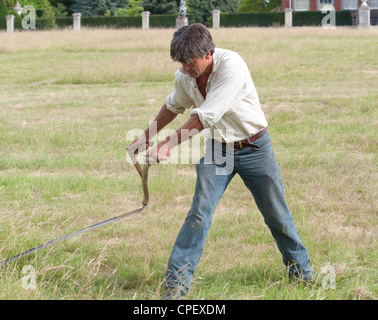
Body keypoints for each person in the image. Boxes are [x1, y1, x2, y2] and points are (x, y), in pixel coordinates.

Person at [126, 23, 312, 300]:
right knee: (199, 213)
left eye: (190, 63)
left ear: (209, 53)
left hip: (254, 147)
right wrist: (147, 136)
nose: (185, 69)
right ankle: (175, 289)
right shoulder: (185, 75)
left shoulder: (232, 67)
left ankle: (301, 274)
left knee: (276, 214)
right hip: (218, 150)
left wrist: (167, 145)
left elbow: (204, 117)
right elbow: (174, 106)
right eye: (181, 64)